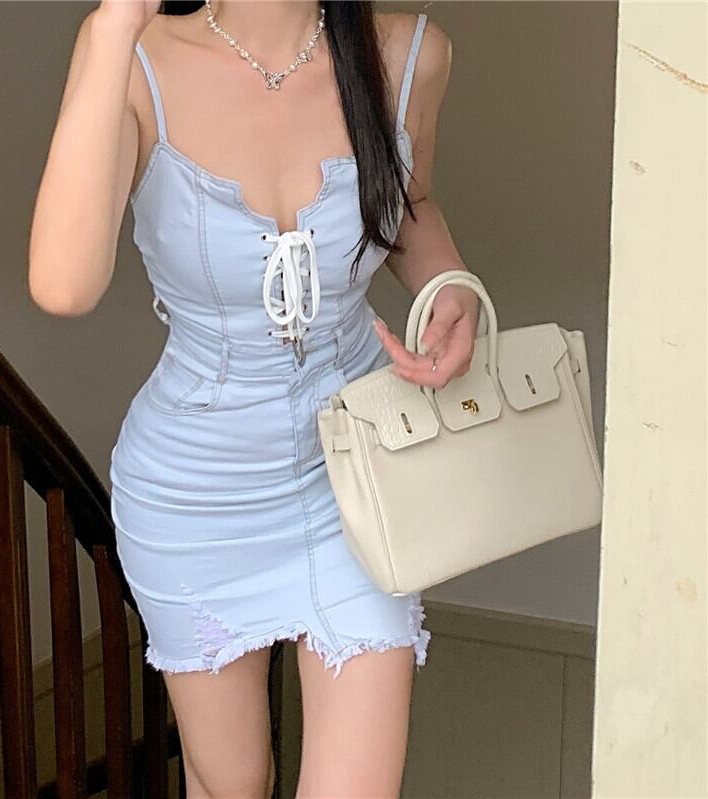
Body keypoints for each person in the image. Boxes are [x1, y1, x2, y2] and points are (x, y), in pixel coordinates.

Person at [29, 1, 478, 796]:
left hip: (356, 476)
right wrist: (112, 24)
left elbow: (408, 206)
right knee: (231, 782)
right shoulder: (132, 60)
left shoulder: (413, 56)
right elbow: (64, 284)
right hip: (194, 496)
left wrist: (451, 285)